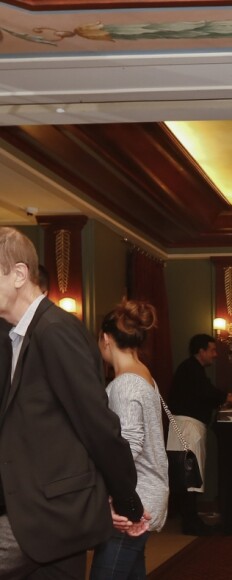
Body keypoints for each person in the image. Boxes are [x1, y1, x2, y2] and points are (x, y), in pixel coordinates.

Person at [0, 226, 146, 579]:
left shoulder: (56, 331)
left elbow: (96, 424)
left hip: (50, 514)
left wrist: (126, 499)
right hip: (32, 507)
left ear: (19, 274)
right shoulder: (13, 336)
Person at [90, 299, 169, 579]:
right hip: (146, 493)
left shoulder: (125, 384)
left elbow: (127, 449)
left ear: (105, 338)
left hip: (134, 501)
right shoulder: (144, 375)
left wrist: (113, 501)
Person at [168, 333, 232, 535]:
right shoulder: (191, 369)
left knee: (189, 475)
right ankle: (191, 523)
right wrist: (228, 398)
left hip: (186, 426)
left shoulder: (192, 369)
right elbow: (206, 393)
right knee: (189, 475)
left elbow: (205, 391)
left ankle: (191, 520)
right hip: (187, 427)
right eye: (212, 350)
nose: (215, 354)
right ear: (201, 351)